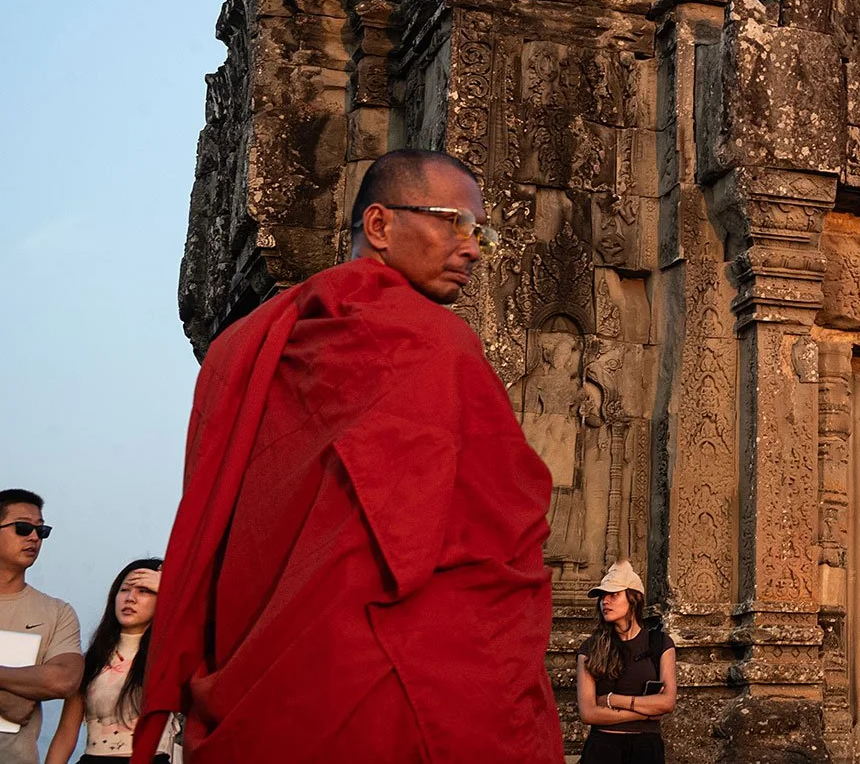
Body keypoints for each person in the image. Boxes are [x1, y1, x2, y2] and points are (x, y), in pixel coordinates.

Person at [134, 149, 563, 763]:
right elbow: (502, 518)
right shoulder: (434, 341)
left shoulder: (252, 342)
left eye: (482, 233)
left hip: (261, 661)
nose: (472, 248)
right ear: (380, 225)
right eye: (454, 223)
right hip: (389, 663)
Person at [46, 558, 169, 762]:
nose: (130, 598)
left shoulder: (169, 656)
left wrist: (171, 588)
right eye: (125, 590)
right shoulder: (92, 660)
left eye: (145, 590)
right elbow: (66, 733)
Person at [0, 490, 82, 764]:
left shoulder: (57, 612)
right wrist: (9, 699)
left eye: (41, 530)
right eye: (23, 528)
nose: (34, 537)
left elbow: (64, 680)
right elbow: (20, 702)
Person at [574, 561, 676, 764]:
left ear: (634, 599)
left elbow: (667, 702)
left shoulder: (660, 643)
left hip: (645, 750)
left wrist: (612, 700)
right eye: (602, 596)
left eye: (613, 594)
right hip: (603, 750)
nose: (605, 601)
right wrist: (644, 715)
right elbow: (588, 713)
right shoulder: (590, 648)